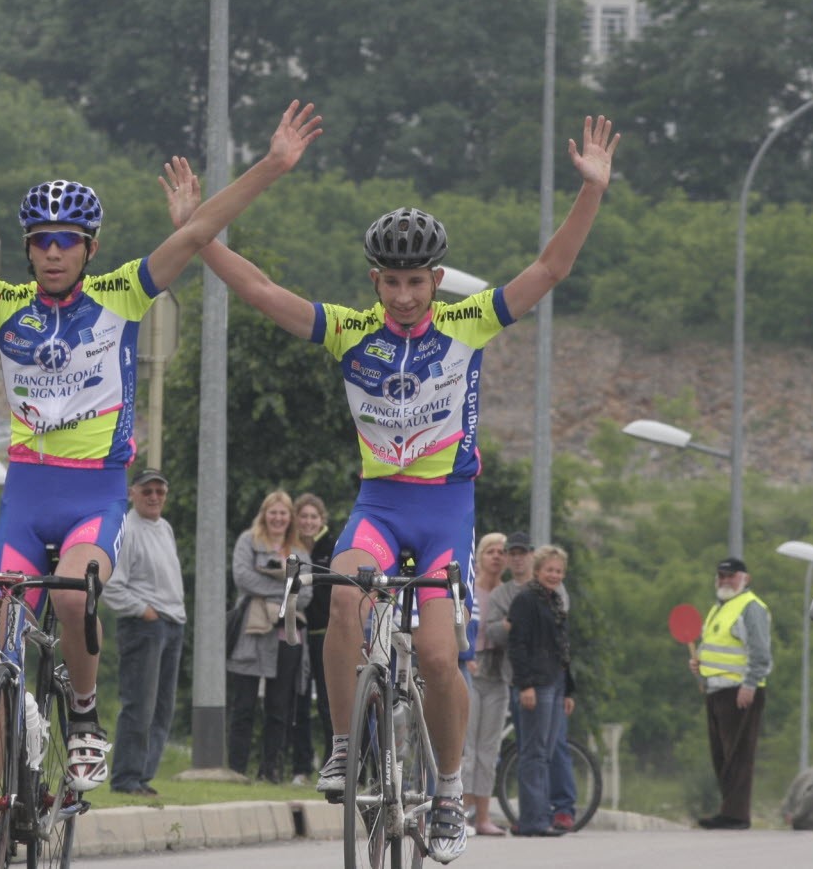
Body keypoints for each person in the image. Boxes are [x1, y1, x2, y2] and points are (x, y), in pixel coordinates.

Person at [0, 100, 322, 867]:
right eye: (39, 242)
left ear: (89, 247)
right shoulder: (5, 306)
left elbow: (198, 234)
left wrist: (272, 164)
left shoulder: (122, 295)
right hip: (26, 498)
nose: (50, 254)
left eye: (64, 242)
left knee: (74, 594)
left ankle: (82, 716)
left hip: (94, 498)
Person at [161, 115, 618, 864]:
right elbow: (261, 288)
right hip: (379, 503)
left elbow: (550, 270)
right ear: (374, 279)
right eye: (392, 281)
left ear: (437, 279)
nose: (405, 295)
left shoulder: (469, 322)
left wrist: (590, 191)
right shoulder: (348, 330)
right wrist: (198, 235)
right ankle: (344, 745)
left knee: (440, 657)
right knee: (342, 593)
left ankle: (445, 790)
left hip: (444, 511)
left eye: (416, 281)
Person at [102, 467, 185, 797]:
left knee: (163, 706)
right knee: (140, 703)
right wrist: (145, 612)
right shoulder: (127, 529)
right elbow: (112, 586)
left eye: (159, 492)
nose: (153, 497)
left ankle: (143, 775)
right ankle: (125, 777)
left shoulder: (164, 528)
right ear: (132, 493)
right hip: (145, 625)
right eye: (147, 491)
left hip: (172, 622)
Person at [226, 490, 311, 784]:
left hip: (287, 632)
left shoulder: (299, 550)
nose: (277, 518)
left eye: (283, 513)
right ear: (264, 514)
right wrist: (284, 591)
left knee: (279, 706)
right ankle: (235, 770)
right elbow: (242, 579)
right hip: (252, 629)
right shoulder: (247, 541)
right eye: (272, 512)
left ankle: (270, 771)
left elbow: (307, 594)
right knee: (244, 704)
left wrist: (277, 594)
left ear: (290, 518)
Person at [689, 555, 771, 830]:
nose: (725, 580)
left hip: (740, 691)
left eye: (731, 576)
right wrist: (698, 662)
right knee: (722, 755)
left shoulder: (750, 607)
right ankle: (728, 810)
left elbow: (760, 653)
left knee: (738, 755)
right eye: (722, 576)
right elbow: (716, 647)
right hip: (716, 690)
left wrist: (749, 685)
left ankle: (736, 815)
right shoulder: (720, 607)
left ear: (744, 579)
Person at [506, 545, 573, 838]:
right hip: (537, 682)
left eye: (559, 571)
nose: (554, 575)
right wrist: (526, 685)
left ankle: (540, 814)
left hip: (556, 681)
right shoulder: (526, 601)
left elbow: (563, 647)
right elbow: (517, 645)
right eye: (549, 570)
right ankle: (533, 819)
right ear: (537, 570)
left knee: (546, 752)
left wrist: (569, 689)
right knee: (533, 752)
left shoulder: (555, 601)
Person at [462, 532, 509, 837]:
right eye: (490, 551)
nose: (496, 556)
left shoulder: (507, 594)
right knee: (468, 745)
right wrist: (465, 657)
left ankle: (482, 816)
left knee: (489, 748)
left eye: (501, 552)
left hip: (498, 672)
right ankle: (462, 812)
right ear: (480, 556)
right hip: (470, 665)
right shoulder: (471, 588)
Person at [291, 492, 333, 784]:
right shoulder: (289, 547)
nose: (308, 522)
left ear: (322, 520)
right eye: (303, 516)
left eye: (313, 517)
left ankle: (334, 764)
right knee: (298, 702)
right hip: (297, 633)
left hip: (326, 634)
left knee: (329, 704)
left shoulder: (333, 546)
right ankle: (300, 767)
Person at [781, 745, 813, 831]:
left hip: (797, 822)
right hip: (810, 824)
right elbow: (810, 798)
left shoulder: (803, 774)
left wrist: (786, 814)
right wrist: (796, 817)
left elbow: (790, 795)